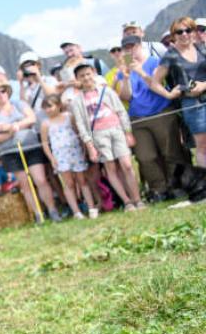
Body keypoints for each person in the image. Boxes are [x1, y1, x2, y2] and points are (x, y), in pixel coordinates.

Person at [118, 34, 189, 200]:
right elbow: (126, 97)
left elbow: (157, 84)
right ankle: (159, 189)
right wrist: (127, 78)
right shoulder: (124, 71)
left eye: (132, 46)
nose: (130, 50)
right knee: (145, 156)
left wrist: (140, 72)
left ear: (140, 45)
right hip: (137, 118)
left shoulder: (155, 62)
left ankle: (177, 186)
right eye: (126, 48)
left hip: (161, 112)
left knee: (171, 151)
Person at [70, 63, 145, 211]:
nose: (86, 78)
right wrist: (90, 146)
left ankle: (138, 199)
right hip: (98, 134)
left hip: (116, 129)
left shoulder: (106, 92)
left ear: (94, 73)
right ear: (77, 79)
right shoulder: (77, 101)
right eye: (82, 76)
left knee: (127, 165)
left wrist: (127, 132)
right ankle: (127, 201)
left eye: (88, 74)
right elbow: (81, 125)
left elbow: (121, 111)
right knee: (110, 167)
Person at [0, 80, 62, 222]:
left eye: (3, 91)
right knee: (25, 184)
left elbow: (31, 118)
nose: (1, 95)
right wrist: (9, 133)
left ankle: (53, 210)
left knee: (41, 179)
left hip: (30, 147)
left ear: (7, 92)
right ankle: (38, 214)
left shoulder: (19, 104)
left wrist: (14, 126)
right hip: (10, 152)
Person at [148, 17, 206, 167]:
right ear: (174, 35)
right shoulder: (171, 55)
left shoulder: (202, 48)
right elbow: (154, 83)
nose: (184, 34)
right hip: (193, 104)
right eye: (179, 32)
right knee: (202, 146)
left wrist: (203, 85)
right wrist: (168, 94)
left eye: (188, 30)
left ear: (193, 31)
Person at [39, 94, 99, 219]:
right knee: (69, 183)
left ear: (58, 105)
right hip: (60, 155)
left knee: (82, 180)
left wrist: (83, 148)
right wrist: (51, 158)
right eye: (45, 108)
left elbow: (78, 132)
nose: (48, 110)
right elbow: (45, 143)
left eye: (50, 106)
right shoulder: (45, 124)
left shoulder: (69, 117)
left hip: (75, 151)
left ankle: (91, 207)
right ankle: (76, 211)